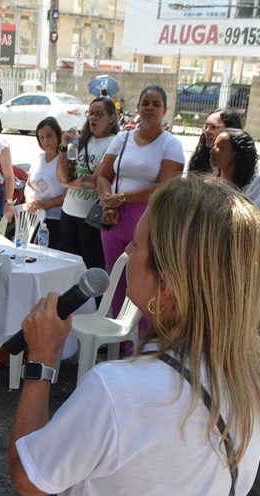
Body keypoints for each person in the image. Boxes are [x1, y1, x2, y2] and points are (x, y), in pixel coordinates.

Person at [9, 176, 260, 496]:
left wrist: (41, 361)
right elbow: (234, 490)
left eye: (138, 247)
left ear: (168, 286)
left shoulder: (118, 393)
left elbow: (29, 476)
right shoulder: (245, 378)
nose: (127, 250)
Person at [97, 84, 184, 324]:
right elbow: (103, 175)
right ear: (137, 108)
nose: (149, 108)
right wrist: (108, 203)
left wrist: (123, 198)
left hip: (148, 219)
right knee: (116, 280)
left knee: (146, 282)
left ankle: (143, 342)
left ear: (165, 110)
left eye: (156, 104)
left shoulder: (171, 144)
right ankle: (117, 337)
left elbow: (166, 186)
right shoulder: (122, 138)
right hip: (113, 217)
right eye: (145, 103)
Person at [57, 96, 119, 269]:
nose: (93, 118)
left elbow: (94, 182)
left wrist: (67, 183)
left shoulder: (114, 142)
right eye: (90, 114)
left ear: (112, 118)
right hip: (68, 213)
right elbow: (63, 174)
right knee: (70, 267)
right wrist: (63, 147)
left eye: (99, 114)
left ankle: (95, 298)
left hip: (91, 218)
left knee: (92, 266)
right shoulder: (81, 140)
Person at [23, 117, 66, 250]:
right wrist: (29, 199)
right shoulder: (38, 158)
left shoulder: (64, 160)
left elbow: (68, 195)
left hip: (55, 219)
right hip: (34, 217)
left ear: (58, 135)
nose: (45, 141)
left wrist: (45, 204)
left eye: (49, 136)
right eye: (41, 137)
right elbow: (29, 184)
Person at [188, 108, 242, 175]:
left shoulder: (242, 165)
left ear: (230, 130)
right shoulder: (200, 158)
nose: (207, 131)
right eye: (206, 126)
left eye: (213, 127)